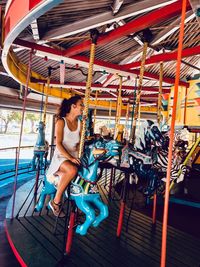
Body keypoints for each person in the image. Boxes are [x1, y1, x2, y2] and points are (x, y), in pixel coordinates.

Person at [46, 95, 83, 217]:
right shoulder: (61, 121)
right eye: (81, 105)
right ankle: (56, 201)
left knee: (86, 172)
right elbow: (59, 144)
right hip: (61, 156)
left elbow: (78, 144)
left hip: (74, 155)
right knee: (72, 169)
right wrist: (71, 158)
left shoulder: (80, 123)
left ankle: (79, 202)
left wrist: (79, 155)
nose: (83, 107)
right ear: (73, 106)